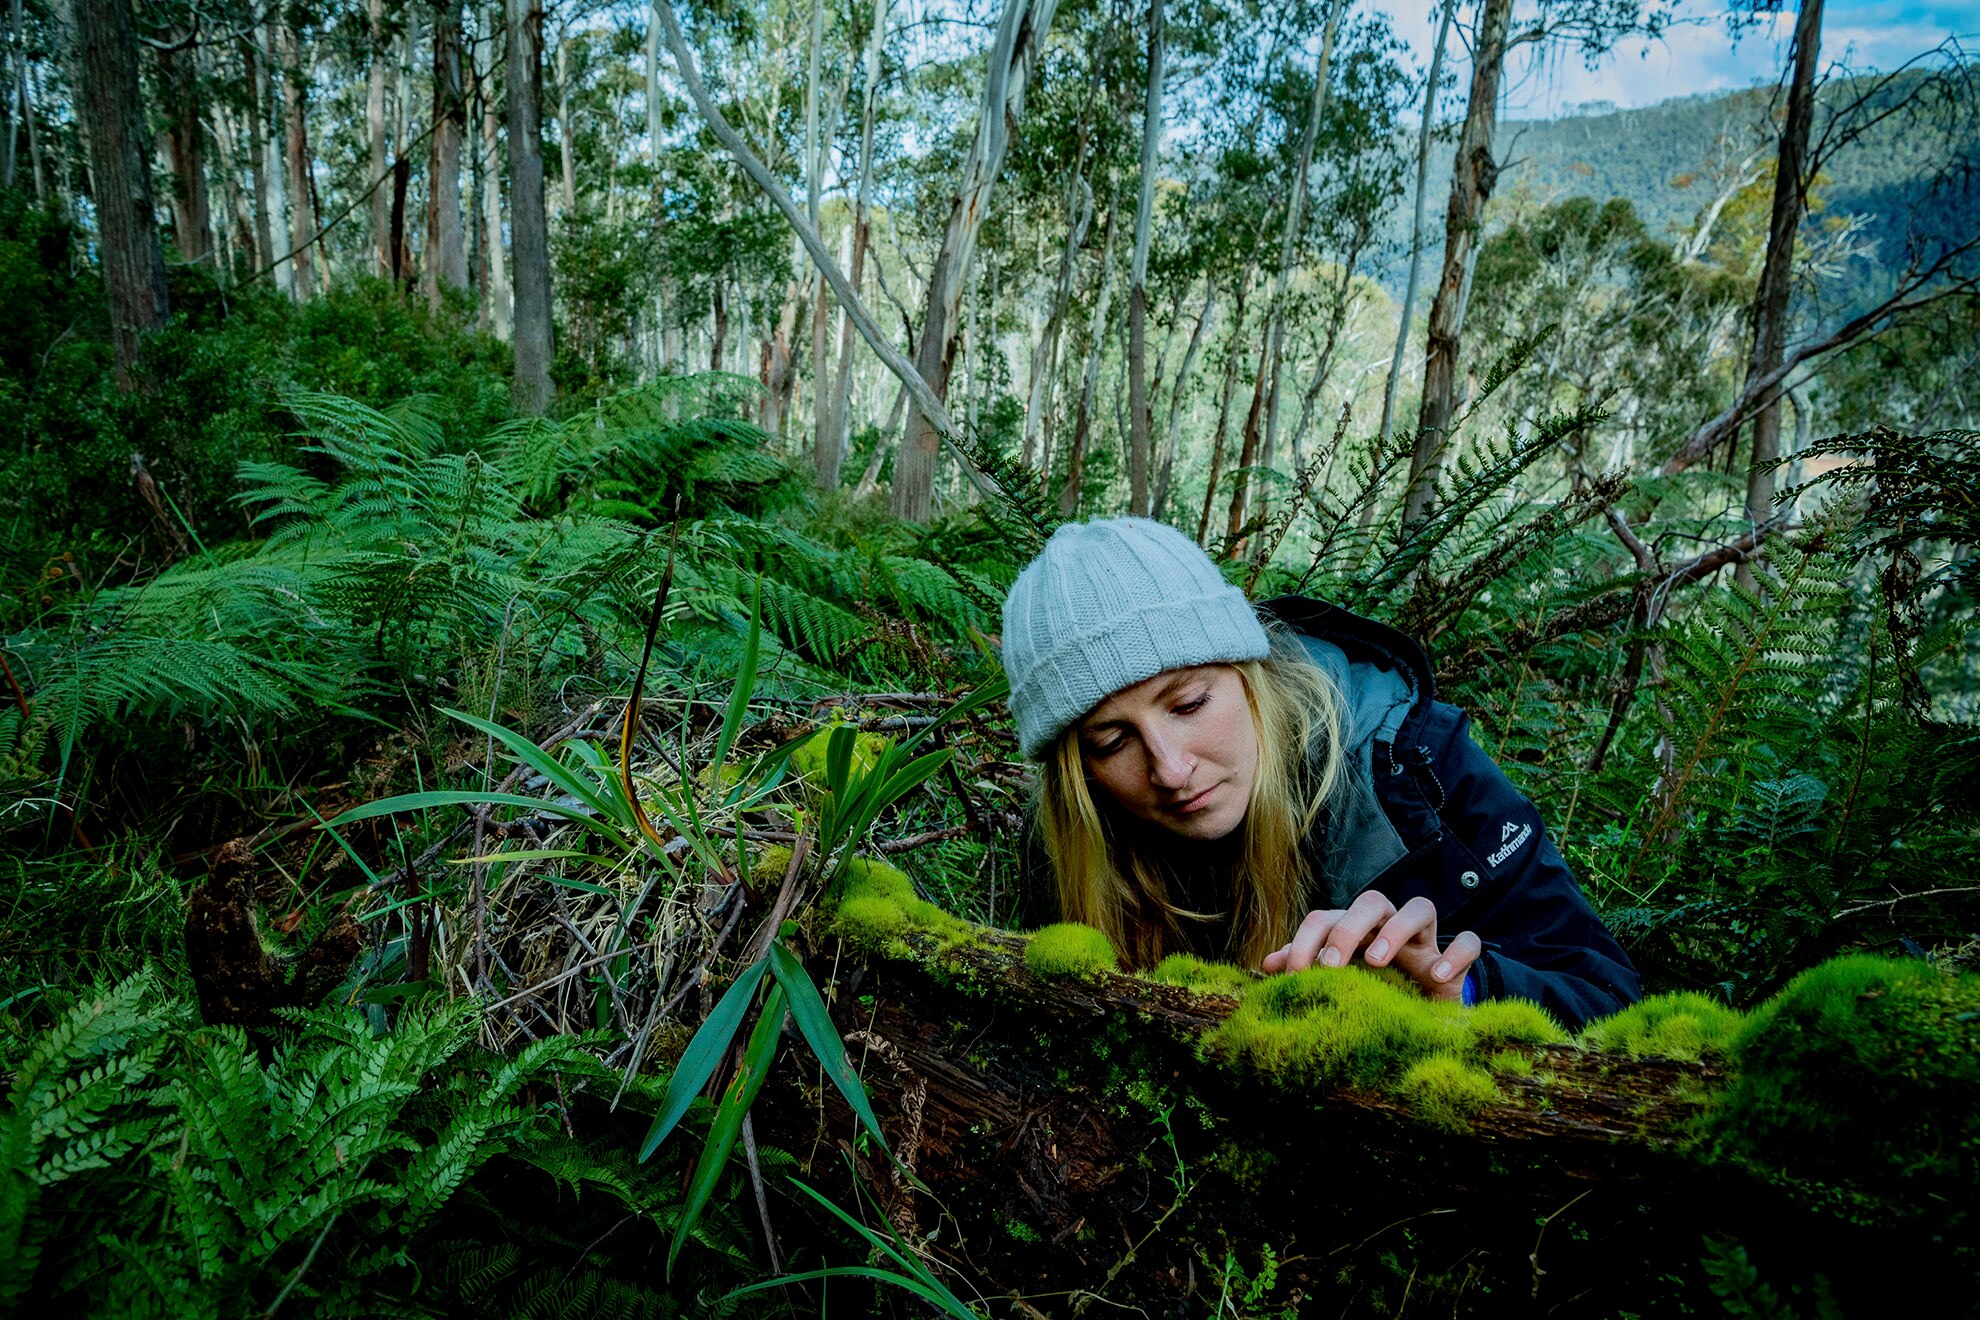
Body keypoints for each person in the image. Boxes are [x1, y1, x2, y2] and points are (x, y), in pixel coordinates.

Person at [1001, 517, 1639, 1030]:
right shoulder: (1065, 841)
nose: (1170, 769)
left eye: (1190, 704)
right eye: (1113, 742)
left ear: (1248, 675)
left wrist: (1465, 989)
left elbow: (1607, 995)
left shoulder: (1412, 768)